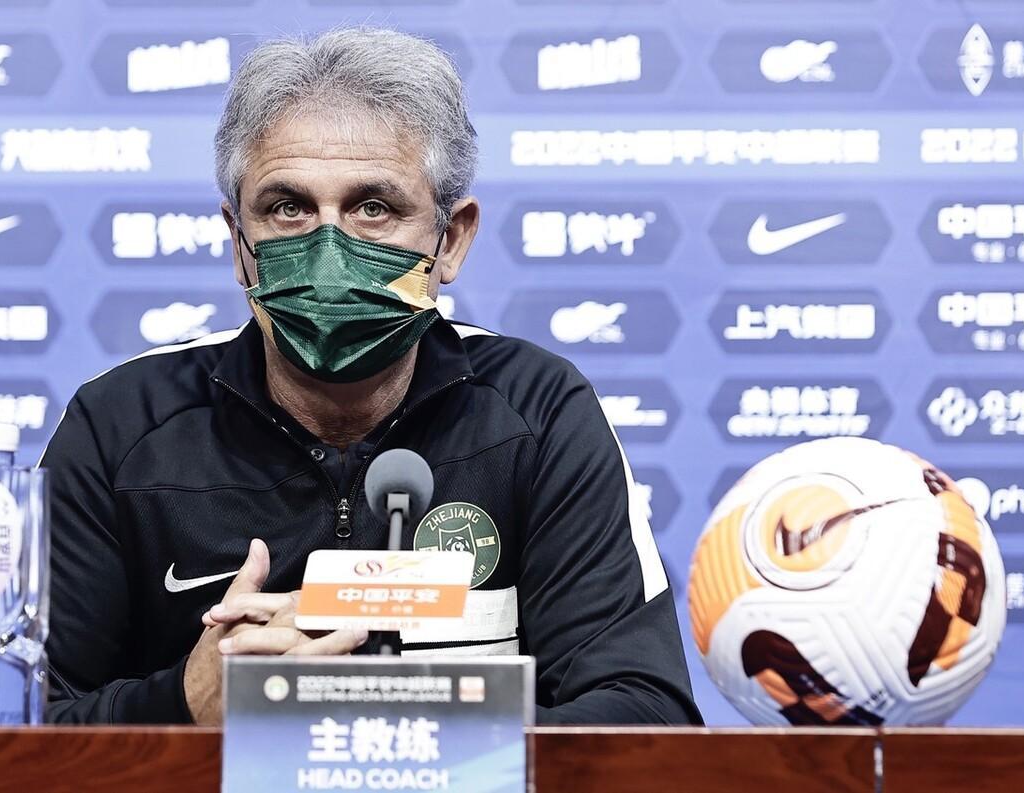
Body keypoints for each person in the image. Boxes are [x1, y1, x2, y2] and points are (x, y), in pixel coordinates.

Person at [41, 26, 702, 726]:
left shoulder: (538, 414)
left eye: (373, 208)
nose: (329, 252)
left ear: (451, 240)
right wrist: (183, 702)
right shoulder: (121, 426)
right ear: (238, 242)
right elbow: (1, 725)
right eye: (288, 208)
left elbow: (646, 718)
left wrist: (395, 719)